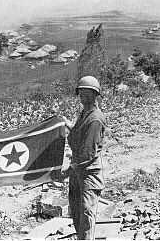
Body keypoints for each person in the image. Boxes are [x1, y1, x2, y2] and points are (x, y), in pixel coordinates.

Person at [61, 76, 106, 240]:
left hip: (88, 173)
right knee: (76, 210)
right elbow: (79, 135)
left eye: (87, 93)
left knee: (86, 213)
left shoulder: (95, 118)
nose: (83, 96)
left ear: (96, 95)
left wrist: (68, 170)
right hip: (78, 170)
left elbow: (87, 152)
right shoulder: (85, 114)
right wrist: (66, 124)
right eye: (81, 93)